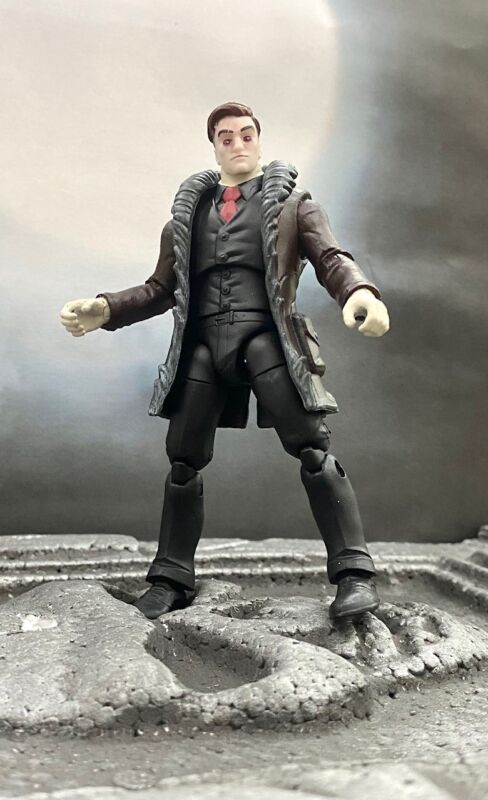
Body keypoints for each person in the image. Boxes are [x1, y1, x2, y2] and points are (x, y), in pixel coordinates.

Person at [60, 101, 389, 624]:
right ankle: (171, 578)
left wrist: (359, 292)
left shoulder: (294, 208)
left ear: (259, 139)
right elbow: (158, 288)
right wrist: (106, 309)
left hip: (265, 339)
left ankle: (354, 573)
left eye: (245, 134)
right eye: (226, 137)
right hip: (203, 345)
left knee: (311, 447)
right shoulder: (186, 221)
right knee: (183, 460)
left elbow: (331, 258)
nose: (237, 144)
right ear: (214, 147)